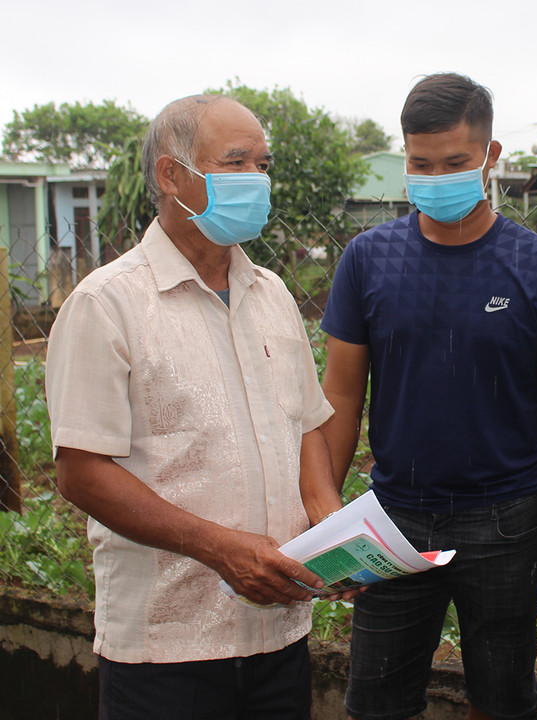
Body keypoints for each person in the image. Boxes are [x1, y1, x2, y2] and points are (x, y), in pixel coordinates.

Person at [301, 72, 537, 720]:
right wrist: (330, 516)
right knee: (377, 700)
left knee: (502, 696)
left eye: (456, 163)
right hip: (393, 517)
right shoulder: (368, 260)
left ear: (492, 157)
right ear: (403, 158)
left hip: (506, 517)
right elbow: (341, 394)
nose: (436, 177)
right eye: (421, 164)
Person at [46, 94, 350, 720]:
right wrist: (218, 547)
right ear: (170, 174)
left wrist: (329, 524)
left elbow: (307, 425)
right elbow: (81, 470)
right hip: (164, 645)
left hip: (279, 633)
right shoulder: (107, 304)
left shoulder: (271, 295)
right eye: (234, 162)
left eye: (262, 165)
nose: (255, 181)